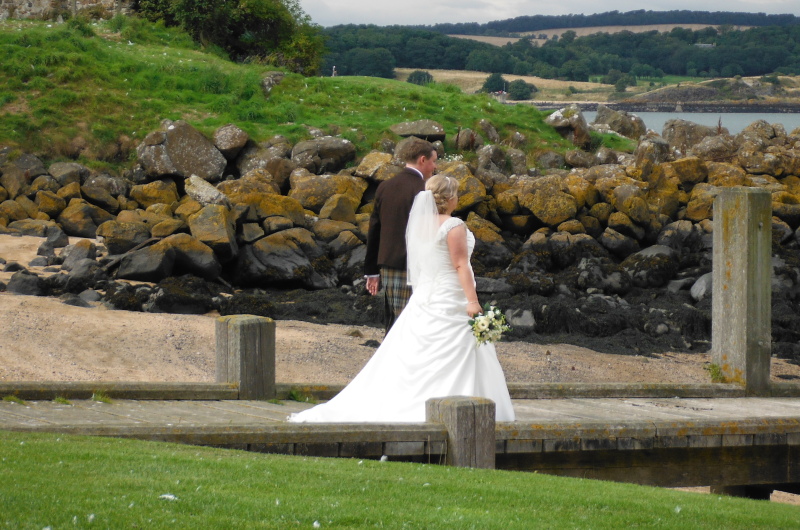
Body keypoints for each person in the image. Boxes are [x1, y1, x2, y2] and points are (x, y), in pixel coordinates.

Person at [288, 174, 515, 423]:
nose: (457, 198)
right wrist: (472, 301)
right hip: (450, 294)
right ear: (450, 198)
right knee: (459, 347)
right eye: (456, 194)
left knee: (416, 351)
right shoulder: (453, 225)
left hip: (426, 296)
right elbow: (461, 265)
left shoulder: (420, 225)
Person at [364, 137, 438, 333]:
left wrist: (372, 271)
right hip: (416, 268)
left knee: (395, 323)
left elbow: (375, 229)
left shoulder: (384, 186)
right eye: (433, 161)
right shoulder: (425, 190)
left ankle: (391, 361)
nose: (434, 166)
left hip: (388, 265)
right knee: (413, 324)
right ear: (422, 160)